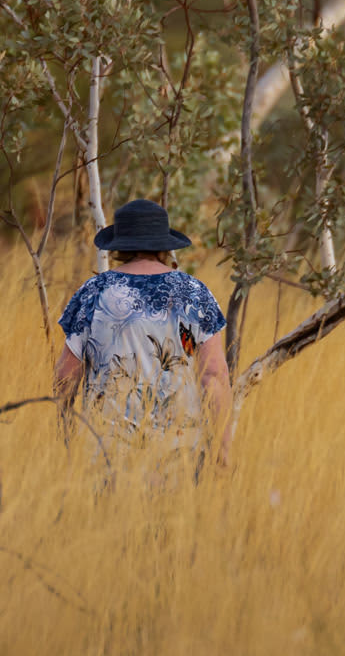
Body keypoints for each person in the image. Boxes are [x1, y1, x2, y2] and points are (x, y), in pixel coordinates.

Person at [55, 199, 232, 466]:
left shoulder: (93, 293)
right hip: (180, 454)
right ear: (165, 245)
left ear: (119, 246)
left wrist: (66, 436)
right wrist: (222, 450)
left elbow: (65, 377)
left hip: (106, 453)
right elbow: (214, 375)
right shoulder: (194, 293)